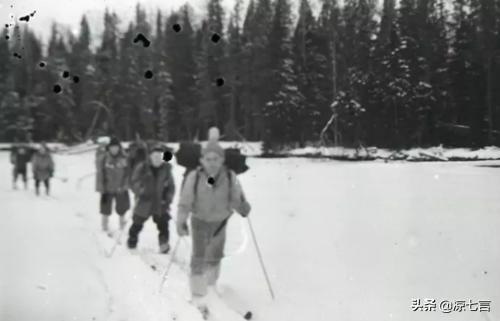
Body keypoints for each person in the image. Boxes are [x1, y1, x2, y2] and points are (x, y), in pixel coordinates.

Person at [176, 128, 251, 316]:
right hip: (199, 220)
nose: (212, 163)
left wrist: (242, 206)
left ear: (222, 160)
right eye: (208, 159)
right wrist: (181, 221)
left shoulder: (229, 176)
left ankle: (211, 286)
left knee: (216, 255)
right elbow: (185, 202)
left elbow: (235, 197)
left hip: (220, 222)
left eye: (216, 159)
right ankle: (198, 293)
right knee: (198, 255)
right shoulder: (194, 177)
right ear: (202, 160)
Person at [127, 143, 176, 253]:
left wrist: (167, 199)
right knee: (137, 222)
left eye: (159, 156)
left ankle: (164, 243)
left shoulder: (166, 169)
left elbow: (171, 187)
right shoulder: (143, 167)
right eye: (155, 156)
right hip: (144, 201)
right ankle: (132, 240)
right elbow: (133, 181)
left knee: (163, 224)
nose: (157, 159)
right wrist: (140, 190)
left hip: (160, 202)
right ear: (150, 156)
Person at [97, 137, 130, 232]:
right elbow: (100, 173)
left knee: (122, 208)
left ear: (119, 148)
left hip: (121, 188)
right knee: (105, 209)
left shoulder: (124, 158)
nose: (114, 149)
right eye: (112, 147)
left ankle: (122, 226)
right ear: (109, 148)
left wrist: (125, 185)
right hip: (107, 188)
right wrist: (101, 187)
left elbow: (128, 173)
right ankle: (104, 226)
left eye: (116, 147)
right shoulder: (104, 158)